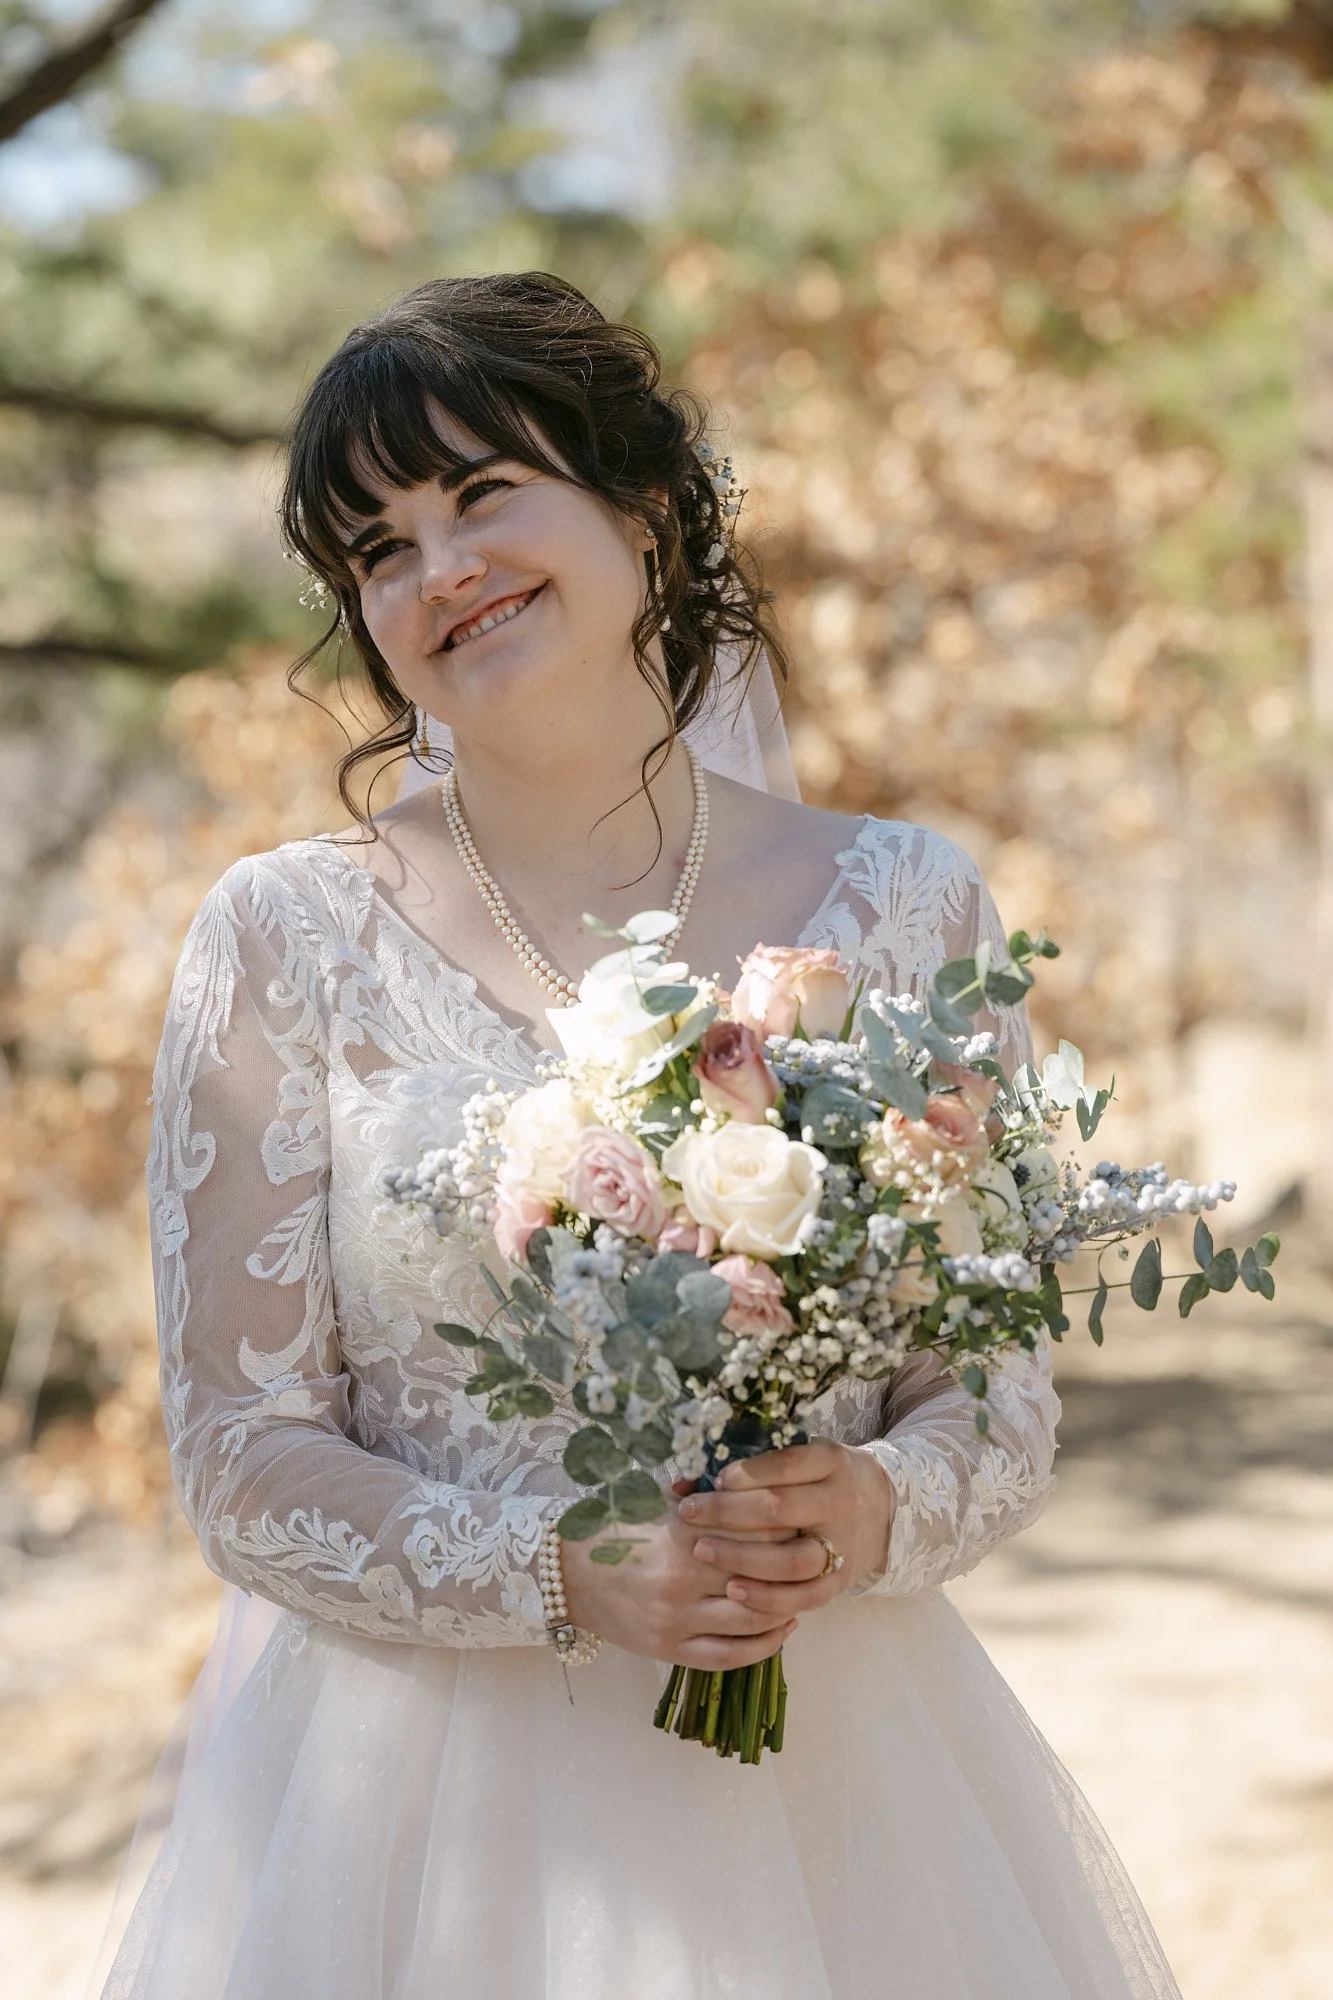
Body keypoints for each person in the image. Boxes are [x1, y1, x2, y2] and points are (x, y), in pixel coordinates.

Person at [102, 272, 1181, 1999]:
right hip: (414, 1824)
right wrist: (560, 1568)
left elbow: (994, 1393)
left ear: (644, 506)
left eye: (478, 494)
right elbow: (240, 1457)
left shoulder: (901, 902)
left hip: (844, 1789)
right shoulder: (282, 938)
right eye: (375, 549)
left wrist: (873, 1506)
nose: (438, 568)